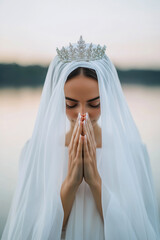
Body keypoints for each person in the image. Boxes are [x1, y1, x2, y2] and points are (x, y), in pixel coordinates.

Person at [1, 36, 160, 240]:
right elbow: (29, 232)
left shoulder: (135, 154)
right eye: (70, 104)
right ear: (57, 99)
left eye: (94, 104)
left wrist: (95, 182)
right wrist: (70, 184)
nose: (82, 114)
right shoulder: (34, 152)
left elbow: (140, 232)